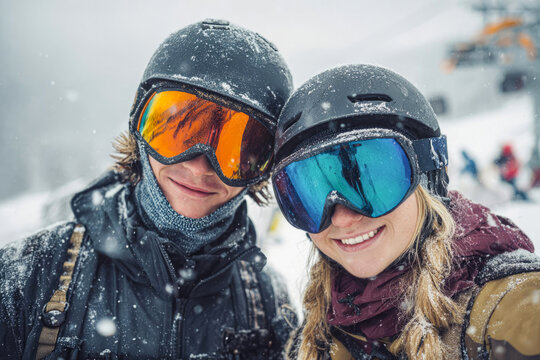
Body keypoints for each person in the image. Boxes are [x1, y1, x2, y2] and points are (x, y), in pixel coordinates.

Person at [0, 19, 297, 359]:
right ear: (139, 129)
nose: (199, 165)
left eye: (237, 151)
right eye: (179, 133)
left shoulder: (268, 300)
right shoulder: (26, 278)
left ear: (262, 168)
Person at [271, 64, 540, 360]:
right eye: (310, 194)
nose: (342, 218)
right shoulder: (317, 334)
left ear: (428, 179)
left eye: (373, 182)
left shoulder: (514, 307)